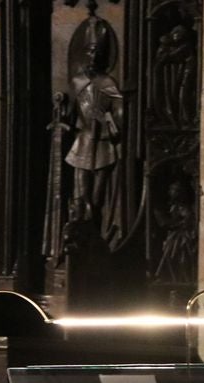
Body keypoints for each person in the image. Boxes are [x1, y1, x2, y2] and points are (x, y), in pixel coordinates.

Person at [65, 16, 124, 250]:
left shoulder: (108, 82)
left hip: (103, 146)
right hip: (82, 144)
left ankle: (96, 239)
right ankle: (81, 241)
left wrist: (106, 118)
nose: (92, 57)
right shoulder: (77, 81)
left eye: (97, 53)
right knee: (81, 197)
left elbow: (120, 117)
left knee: (97, 199)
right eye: (89, 52)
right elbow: (69, 114)